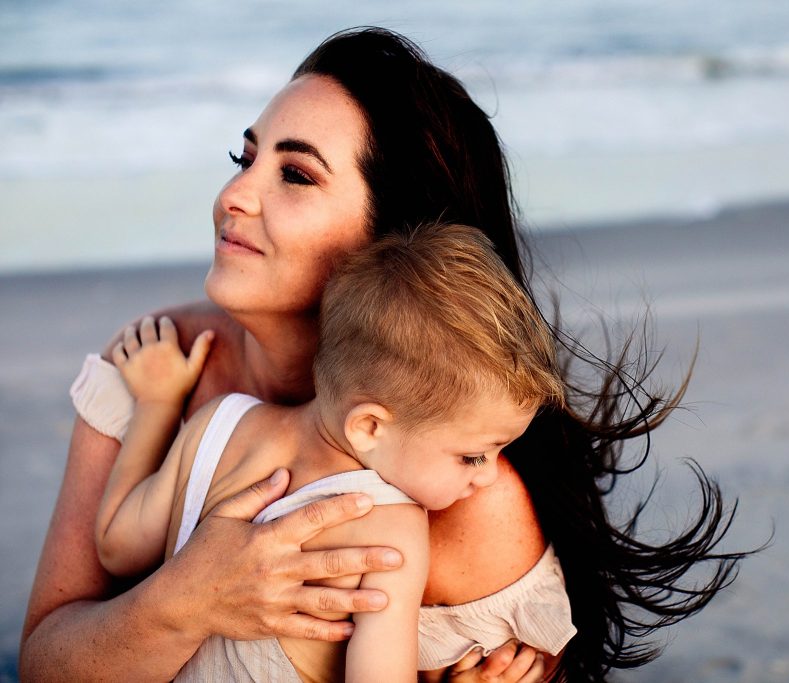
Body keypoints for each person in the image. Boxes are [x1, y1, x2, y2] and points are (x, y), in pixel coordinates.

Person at [21, 28, 745, 683]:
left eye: (295, 174)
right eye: (245, 157)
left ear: (393, 240)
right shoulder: (159, 363)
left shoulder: (461, 490)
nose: (234, 195)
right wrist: (184, 601)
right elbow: (45, 662)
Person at [94, 223, 576, 682]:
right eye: (473, 456)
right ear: (369, 427)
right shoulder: (390, 529)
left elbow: (116, 547)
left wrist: (157, 404)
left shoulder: (218, 422)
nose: (488, 476)